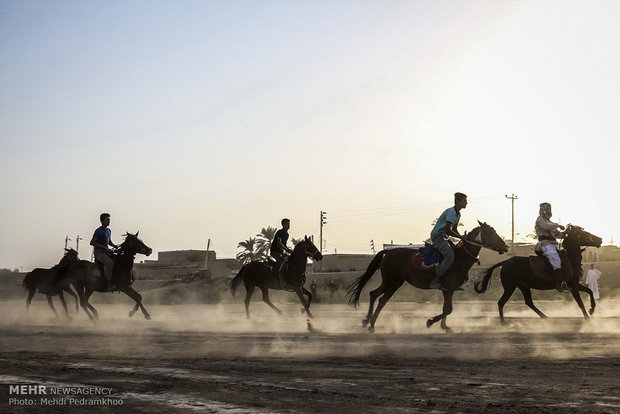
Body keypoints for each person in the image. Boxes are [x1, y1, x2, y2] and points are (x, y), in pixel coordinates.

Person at [429, 193, 468, 290]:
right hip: (438, 236)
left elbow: (454, 229)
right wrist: (461, 237)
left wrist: (461, 237)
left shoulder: (458, 214)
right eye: (464, 201)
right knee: (450, 255)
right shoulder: (451, 212)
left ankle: (452, 282)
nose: (466, 203)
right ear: (458, 201)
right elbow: (447, 230)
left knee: (456, 252)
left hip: (444, 237)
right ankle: (435, 281)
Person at [533, 202, 567, 292]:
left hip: (554, 244)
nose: (549, 211)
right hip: (545, 243)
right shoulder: (540, 219)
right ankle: (560, 283)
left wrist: (566, 233)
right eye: (547, 209)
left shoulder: (550, 222)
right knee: (556, 259)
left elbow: (558, 234)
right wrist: (558, 225)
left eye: (549, 209)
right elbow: (545, 227)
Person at [90, 213, 118, 289]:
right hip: (99, 253)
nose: (109, 221)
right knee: (109, 262)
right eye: (107, 220)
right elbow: (92, 242)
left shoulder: (109, 230)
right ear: (102, 221)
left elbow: (108, 241)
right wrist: (103, 247)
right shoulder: (98, 231)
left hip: (106, 252)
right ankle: (108, 281)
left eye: (109, 220)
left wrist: (115, 245)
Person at [270, 218, 293, 289]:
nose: (289, 225)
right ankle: (282, 281)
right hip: (274, 252)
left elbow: (284, 245)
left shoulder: (287, 234)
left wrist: (290, 250)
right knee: (283, 262)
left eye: (289, 224)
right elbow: (279, 243)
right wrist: (287, 250)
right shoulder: (279, 232)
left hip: (281, 253)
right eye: (287, 224)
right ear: (283, 225)